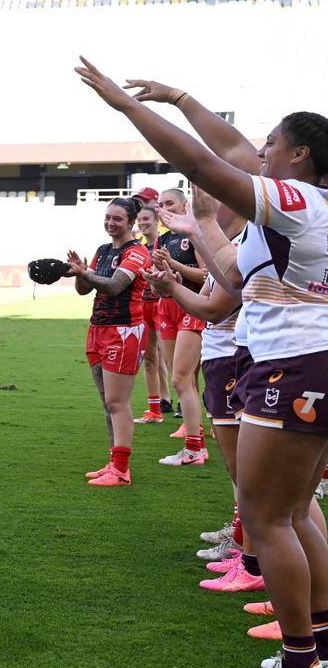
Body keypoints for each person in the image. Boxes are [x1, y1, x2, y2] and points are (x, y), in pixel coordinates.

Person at [78, 56, 328, 668]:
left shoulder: (297, 204)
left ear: (300, 155)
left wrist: (130, 107)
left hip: (292, 369)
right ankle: (318, 645)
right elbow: (224, 294)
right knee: (296, 513)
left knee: (266, 515)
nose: (260, 151)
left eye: (273, 143)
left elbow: (207, 161)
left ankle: (300, 664)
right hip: (304, 366)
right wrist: (182, 100)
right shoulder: (296, 215)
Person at [65, 197, 151, 487]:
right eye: (107, 217)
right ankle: (114, 463)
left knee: (117, 402)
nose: (110, 223)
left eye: (117, 218)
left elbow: (114, 286)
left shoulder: (137, 252)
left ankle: (122, 470)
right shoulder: (103, 251)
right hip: (98, 329)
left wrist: (86, 273)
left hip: (123, 331)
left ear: (130, 222)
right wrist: (80, 272)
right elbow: (83, 290)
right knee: (107, 403)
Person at [152, 189, 209, 464]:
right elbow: (159, 286)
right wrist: (157, 279)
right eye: (160, 205)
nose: (164, 208)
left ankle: (196, 446)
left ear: (185, 205)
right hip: (168, 305)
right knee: (181, 375)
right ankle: (194, 429)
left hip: (194, 304)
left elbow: (206, 274)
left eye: (169, 203)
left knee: (182, 377)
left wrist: (173, 266)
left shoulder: (193, 233)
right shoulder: (162, 239)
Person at [132, 205, 171, 423]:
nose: (142, 223)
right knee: (149, 359)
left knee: (171, 359)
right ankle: (155, 410)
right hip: (142, 305)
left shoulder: (165, 243)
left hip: (163, 304)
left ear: (157, 220)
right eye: (139, 219)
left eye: (146, 218)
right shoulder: (138, 248)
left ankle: (185, 407)